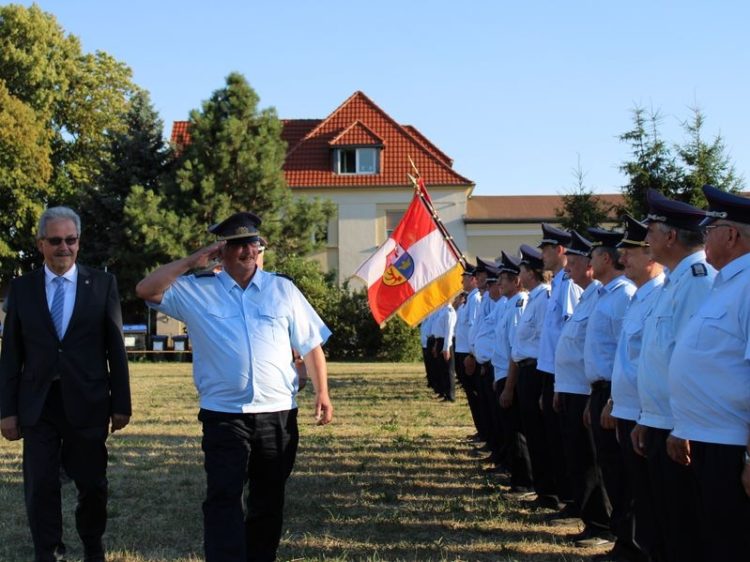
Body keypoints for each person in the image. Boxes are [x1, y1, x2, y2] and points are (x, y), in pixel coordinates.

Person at [135, 211, 333, 562]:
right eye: (238, 245)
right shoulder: (196, 289)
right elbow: (146, 289)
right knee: (224, 497)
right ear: (221, 250)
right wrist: (191, 261)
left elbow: (311, 345)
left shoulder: (282, 289)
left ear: (261, 248)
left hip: (277, 415)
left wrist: (322, 393)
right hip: (224, 416)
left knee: (268, 499)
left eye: (252, 243)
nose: (247, 251)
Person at [0, 206, 131, 562]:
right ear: (41, 243)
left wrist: (122, 403)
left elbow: (115, 348)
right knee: (40, 486)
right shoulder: (23, 288)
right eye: (55, 241)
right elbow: (11, 352)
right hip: (38, 404)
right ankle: (49, 551)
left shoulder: (102, 284)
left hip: (88, 402)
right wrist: (7, 411)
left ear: (79, 242)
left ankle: (92, 544)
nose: (64, 247)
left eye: (70, 240)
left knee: (91, 484)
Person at [667, 185, 750, 562]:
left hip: (733, 447)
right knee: (714, 538)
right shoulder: (724, 284)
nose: (703, 237)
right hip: (708, 441)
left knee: (733, 541)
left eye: (710, 229)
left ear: (731, 234)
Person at [632, 189, 715, 562]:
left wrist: (681, 425)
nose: (645, 238)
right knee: (665, 521)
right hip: (661, 420)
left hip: (681, 427)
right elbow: (659, 356)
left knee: (684, 526)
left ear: (670, 236)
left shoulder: (697, 280)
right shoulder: (673, 282)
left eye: (651, 231)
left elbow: (696, 362)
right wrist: (646, 417)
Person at [609, 215, 665, 561]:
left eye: (631, 252)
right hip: (629, 408)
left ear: (651, 256)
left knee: (652, 497)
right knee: (635, 490)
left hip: (648, 413)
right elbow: (625, 356)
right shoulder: (640, 295)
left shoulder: (660, 295)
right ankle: (633, 548)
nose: (623, 258)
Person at [581, 227, 637, 559]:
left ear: (604, 258)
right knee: (611, 469)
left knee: (622, 473)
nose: (588, 261)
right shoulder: (605, 294)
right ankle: (622, 540)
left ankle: (629, 543)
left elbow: (623, 353)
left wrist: (614, 399)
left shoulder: (624, 295)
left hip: (617, 395)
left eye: (591, 255)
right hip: (601, 391)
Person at [552, 231, 610, 543]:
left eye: (572, 262)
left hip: (588, 390)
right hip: (574, 388)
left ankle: (601, 525)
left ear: (591, 264)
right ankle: (591, 519)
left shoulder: (603, 296)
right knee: (577, 457)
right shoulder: (588, 297)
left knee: (591, 462)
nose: (566, 268)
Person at [537, 223, 582, 509]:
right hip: (553, 372)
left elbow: (572, 332)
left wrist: (560, 380)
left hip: (563, 375)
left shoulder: (570, 283)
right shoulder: (558, 283)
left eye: (546, 249)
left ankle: (572, 499)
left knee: (571, 445)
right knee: (557, 441)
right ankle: (568, 497)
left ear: (560, 250)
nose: (542, 255)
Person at [508, 244, 555, 505]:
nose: (520, 275)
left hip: (536, 371)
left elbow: (547, 340)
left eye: (523, 270)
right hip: (527, 370)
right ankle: (543, 489)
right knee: (533, 433)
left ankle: (549, 491)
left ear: (532, 274)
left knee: (539, 436)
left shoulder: (544, 298)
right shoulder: (535, 298)